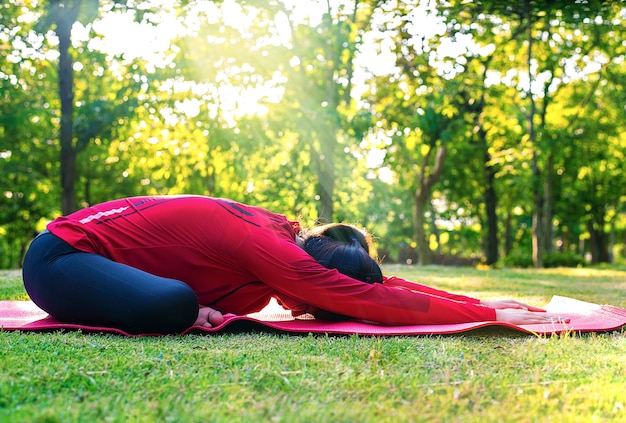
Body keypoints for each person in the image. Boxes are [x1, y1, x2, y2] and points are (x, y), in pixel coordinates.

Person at [22, 195, 564, 334]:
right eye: (314, 305)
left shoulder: (292, 242)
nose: (306, 312)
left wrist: (479, 303)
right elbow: (367, 299)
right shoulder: (274, 252)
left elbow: (378, 284)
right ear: (314, 275)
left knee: (187, 303)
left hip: (86, 259)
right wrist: (488, 319)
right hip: (59, 258)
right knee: (175, 304)